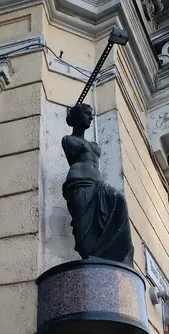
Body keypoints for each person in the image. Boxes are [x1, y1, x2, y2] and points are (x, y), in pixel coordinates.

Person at [62, 103, 134, 265]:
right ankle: (89, 255)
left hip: (98, 185)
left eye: (91, 114)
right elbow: (74, 150)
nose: (91, 117)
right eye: (87, 113)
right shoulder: (68, 140)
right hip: (79, 184)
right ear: (77, 116)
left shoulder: (94, 145)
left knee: (119, 200)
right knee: (84, 224)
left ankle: (121, 253)